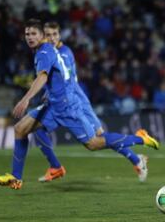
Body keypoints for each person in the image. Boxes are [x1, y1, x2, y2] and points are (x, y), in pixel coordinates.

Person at [0, 19, 159, 190]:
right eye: (27, 34)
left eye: (34, 34)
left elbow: (45, 77)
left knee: (94, 143)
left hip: (68, 105)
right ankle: (17, 176)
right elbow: (60, 76)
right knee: (20, 129)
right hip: (54, 104)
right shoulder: (47, 50)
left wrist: (26, 98)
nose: (30, 37)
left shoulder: (48, 52)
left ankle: (140, 140)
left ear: (42, 35)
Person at [33, 21, 153, 183]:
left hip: (76, 101)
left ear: (60, 35)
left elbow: (66, 80)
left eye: (55, 34)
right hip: (63, 102)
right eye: (48, 35)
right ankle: (55, 166)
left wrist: (50, 92)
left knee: (98, 139)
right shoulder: (52, 52)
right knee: (39, 128)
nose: (52, 38)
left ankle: (138, 149)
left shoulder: (64, 53)